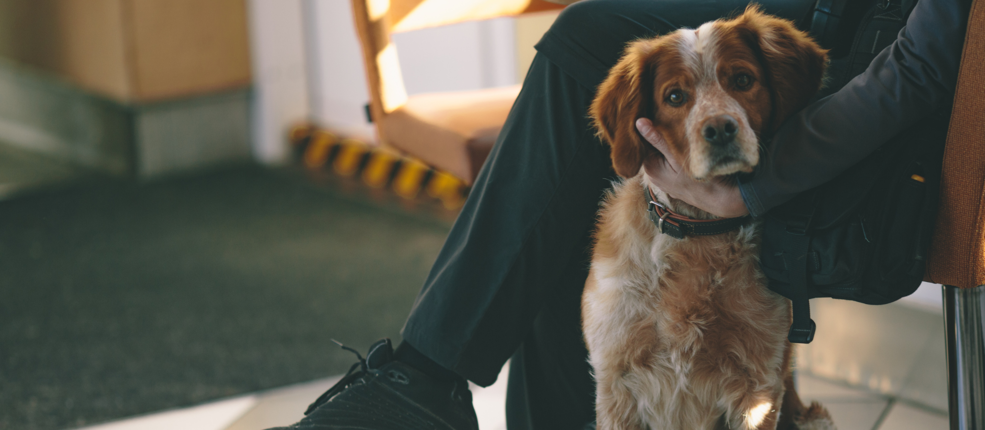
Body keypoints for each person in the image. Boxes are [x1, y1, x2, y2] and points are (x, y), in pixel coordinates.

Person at [269, 0, 970, 428]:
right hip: (835, 7)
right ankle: (420, 382)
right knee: (584, 53)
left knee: (584, 47)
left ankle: (417, 382)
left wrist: (757, 185)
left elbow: (923, 64)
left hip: (870, 41)